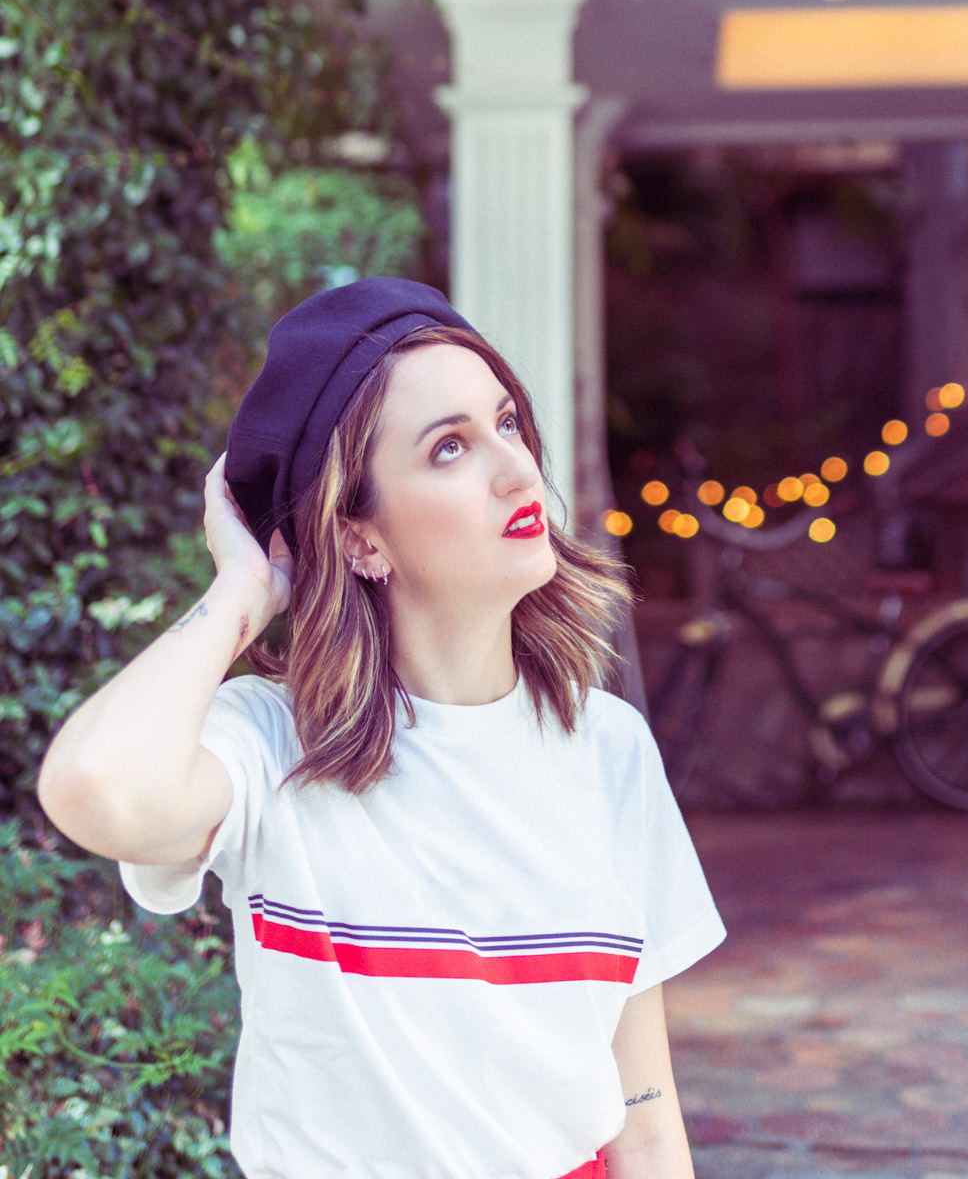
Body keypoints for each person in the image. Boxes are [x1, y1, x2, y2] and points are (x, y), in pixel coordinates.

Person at [38, 277, 724, 1179]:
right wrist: (244, 590)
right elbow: (94, 788)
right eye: (450, 447)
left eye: (507, 422)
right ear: (360, 536)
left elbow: (642, 1121)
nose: (518, 471)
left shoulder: (608, 748)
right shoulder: (273, 747)